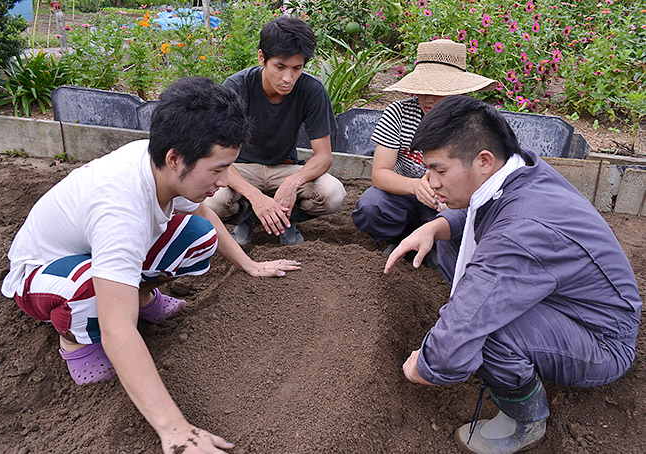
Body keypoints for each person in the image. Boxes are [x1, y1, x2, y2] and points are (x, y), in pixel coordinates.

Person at [1, 77, 301, 454]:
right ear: (175, 158)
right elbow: (117, 329)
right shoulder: (120, 208)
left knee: (197, 233)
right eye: (218, 170)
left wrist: (249, 264)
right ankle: (73, 341)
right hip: (40, 276)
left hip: (95, 254)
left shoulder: (161, 161)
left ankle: (142, 296)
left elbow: (204, 213)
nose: (225, 181)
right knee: (96, 292)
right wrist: (176, 430)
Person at [384, 95, 642, 454]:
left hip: (602, 339)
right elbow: (479, 211)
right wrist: (436, 226)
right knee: (448, 237)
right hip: (571, 303)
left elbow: (468, 322)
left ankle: (525, 419)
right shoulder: (519, 170)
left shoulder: (520, 230)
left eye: (439, 171)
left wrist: (427, 365)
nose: (431, 181)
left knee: (488, 331)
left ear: (484, 161)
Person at [205, 16, 347, 245]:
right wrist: (254, 196)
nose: (287, 78)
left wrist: (293, 183)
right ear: (262, 58)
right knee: (212, 201)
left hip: (284, 167)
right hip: (240, 167)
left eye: (297, 68)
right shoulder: (237, 87)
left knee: (333, 195)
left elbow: (323, 156)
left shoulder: (312, 90)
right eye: (279, 67)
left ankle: (284, 220)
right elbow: (216, 157)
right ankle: (246, 217)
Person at [351, 39, 497, 255]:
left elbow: (484, 179)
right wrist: (415, 186)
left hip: (452, 201)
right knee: (372, 206)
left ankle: (436, 244)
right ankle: (398, 238)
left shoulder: (474, 121)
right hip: (405, 196)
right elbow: (380, 174)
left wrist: (449, 197)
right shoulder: (399, 113)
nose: (428, 98)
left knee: (467, 223)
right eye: (422, 89)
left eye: (438, 91)